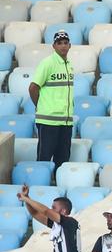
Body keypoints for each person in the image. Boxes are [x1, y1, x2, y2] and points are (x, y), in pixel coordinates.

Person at [29, 30, 74, 171]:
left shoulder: (69, 65)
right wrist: (40, 105)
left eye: (65, 43)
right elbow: (33, 88)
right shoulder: (47, 63)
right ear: (53, 46)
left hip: (65, 121)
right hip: (48, 121)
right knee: (44, 159)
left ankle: (58, 190)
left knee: (63, 159)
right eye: (59, 43)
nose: (63, 46)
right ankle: (40, 189)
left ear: (70, 45)